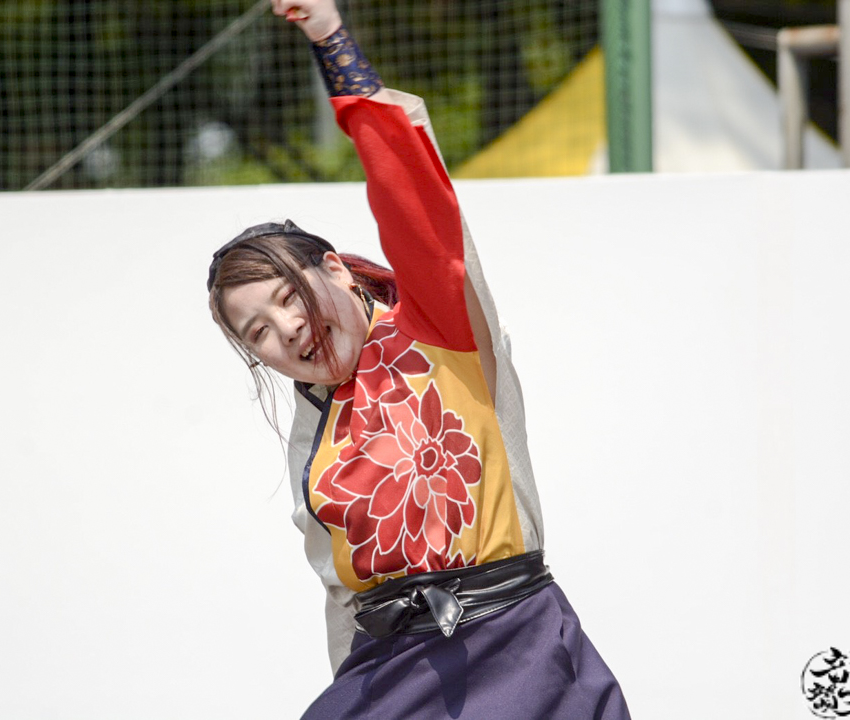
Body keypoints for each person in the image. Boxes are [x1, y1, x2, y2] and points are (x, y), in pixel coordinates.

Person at [208, 1, 632, 717]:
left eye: (287, 296)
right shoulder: (313, 440)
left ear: (336, 270)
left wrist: (330, 40)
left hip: (513, 646)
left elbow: (414, 200)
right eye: (257, 333)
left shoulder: (438, 329)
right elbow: (341, 601)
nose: (285, 328)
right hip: (392, 670)